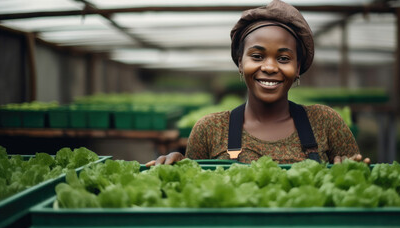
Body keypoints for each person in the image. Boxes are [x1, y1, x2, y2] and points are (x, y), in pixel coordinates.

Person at [146, 0, 369, 166]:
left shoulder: (326, 123)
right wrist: (179, 167)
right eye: (257, 56)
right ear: (240, 63)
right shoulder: (209, 130)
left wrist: (353, 172)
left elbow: (361, 195)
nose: (270, 67)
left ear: (298, 68)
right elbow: (195, 200)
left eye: (283, 58)